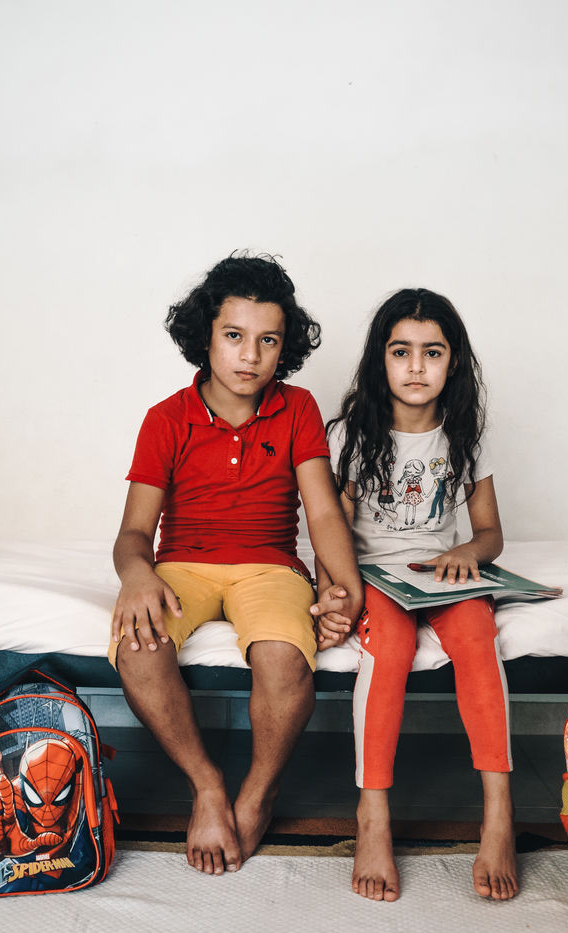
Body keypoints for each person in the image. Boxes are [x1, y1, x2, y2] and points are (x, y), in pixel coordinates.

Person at [110, 252, 363, 877]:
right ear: (205, 336)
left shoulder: (298, 408)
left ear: (284, 347)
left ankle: (258, 792)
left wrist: (345, 585)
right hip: (182, 566)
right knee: (138, 645)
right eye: (233, 336)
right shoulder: (166, 419)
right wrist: (137, 575)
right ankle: (206, 785)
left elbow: (323, 512)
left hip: (270, 567)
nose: (249, 356)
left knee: (283, 655)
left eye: (267, 340)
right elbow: (134, 533)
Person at [317, 287, 517, 902]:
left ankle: (499, 814)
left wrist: (467, 553)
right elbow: (329, 529)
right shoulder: (350, 434)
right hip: (373, 575)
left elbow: (491, 533)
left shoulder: (465, 435)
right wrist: (334, 595)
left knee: (478, 637)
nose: (415, 367)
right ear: (380, 358)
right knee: (391, 647)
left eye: (432, 352)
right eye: (400, 351)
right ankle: (372, 813)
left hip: (439, 573)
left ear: (453, 362)